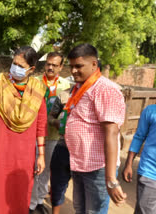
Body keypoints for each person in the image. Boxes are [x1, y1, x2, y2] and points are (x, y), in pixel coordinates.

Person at [64, 43, 126, 213]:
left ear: (94, 64)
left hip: (97, 168)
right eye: (71, 67)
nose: (74, 71)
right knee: (80, 209)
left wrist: (111, 179)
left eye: (78, 66)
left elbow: (112, 134)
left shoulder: (105, 90)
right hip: (79, 164)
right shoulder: (80, 87)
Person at [0, 46, 47, 214]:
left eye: (21, 66)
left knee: (21, 193)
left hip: (25, 154)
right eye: (14, 63)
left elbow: (41, 125)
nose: (16, 68)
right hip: (1, 150)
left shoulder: (37, 90)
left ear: (31, 69)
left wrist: (41, 156)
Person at [30, 52, 70, 212]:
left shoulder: (66, 85)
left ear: (61, 67)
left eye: (54, 65)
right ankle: (31, 204)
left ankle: (40, 200)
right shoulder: (35, 82)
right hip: (36, 133)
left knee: (46, 169)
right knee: (34, 168)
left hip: (54, 134)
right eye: (48, 64)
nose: (50, 67)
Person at [122, 104, 156, 214]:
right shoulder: (150, 111)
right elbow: (139, 137)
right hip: (149, 172)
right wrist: (128, 164)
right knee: (144, 210)